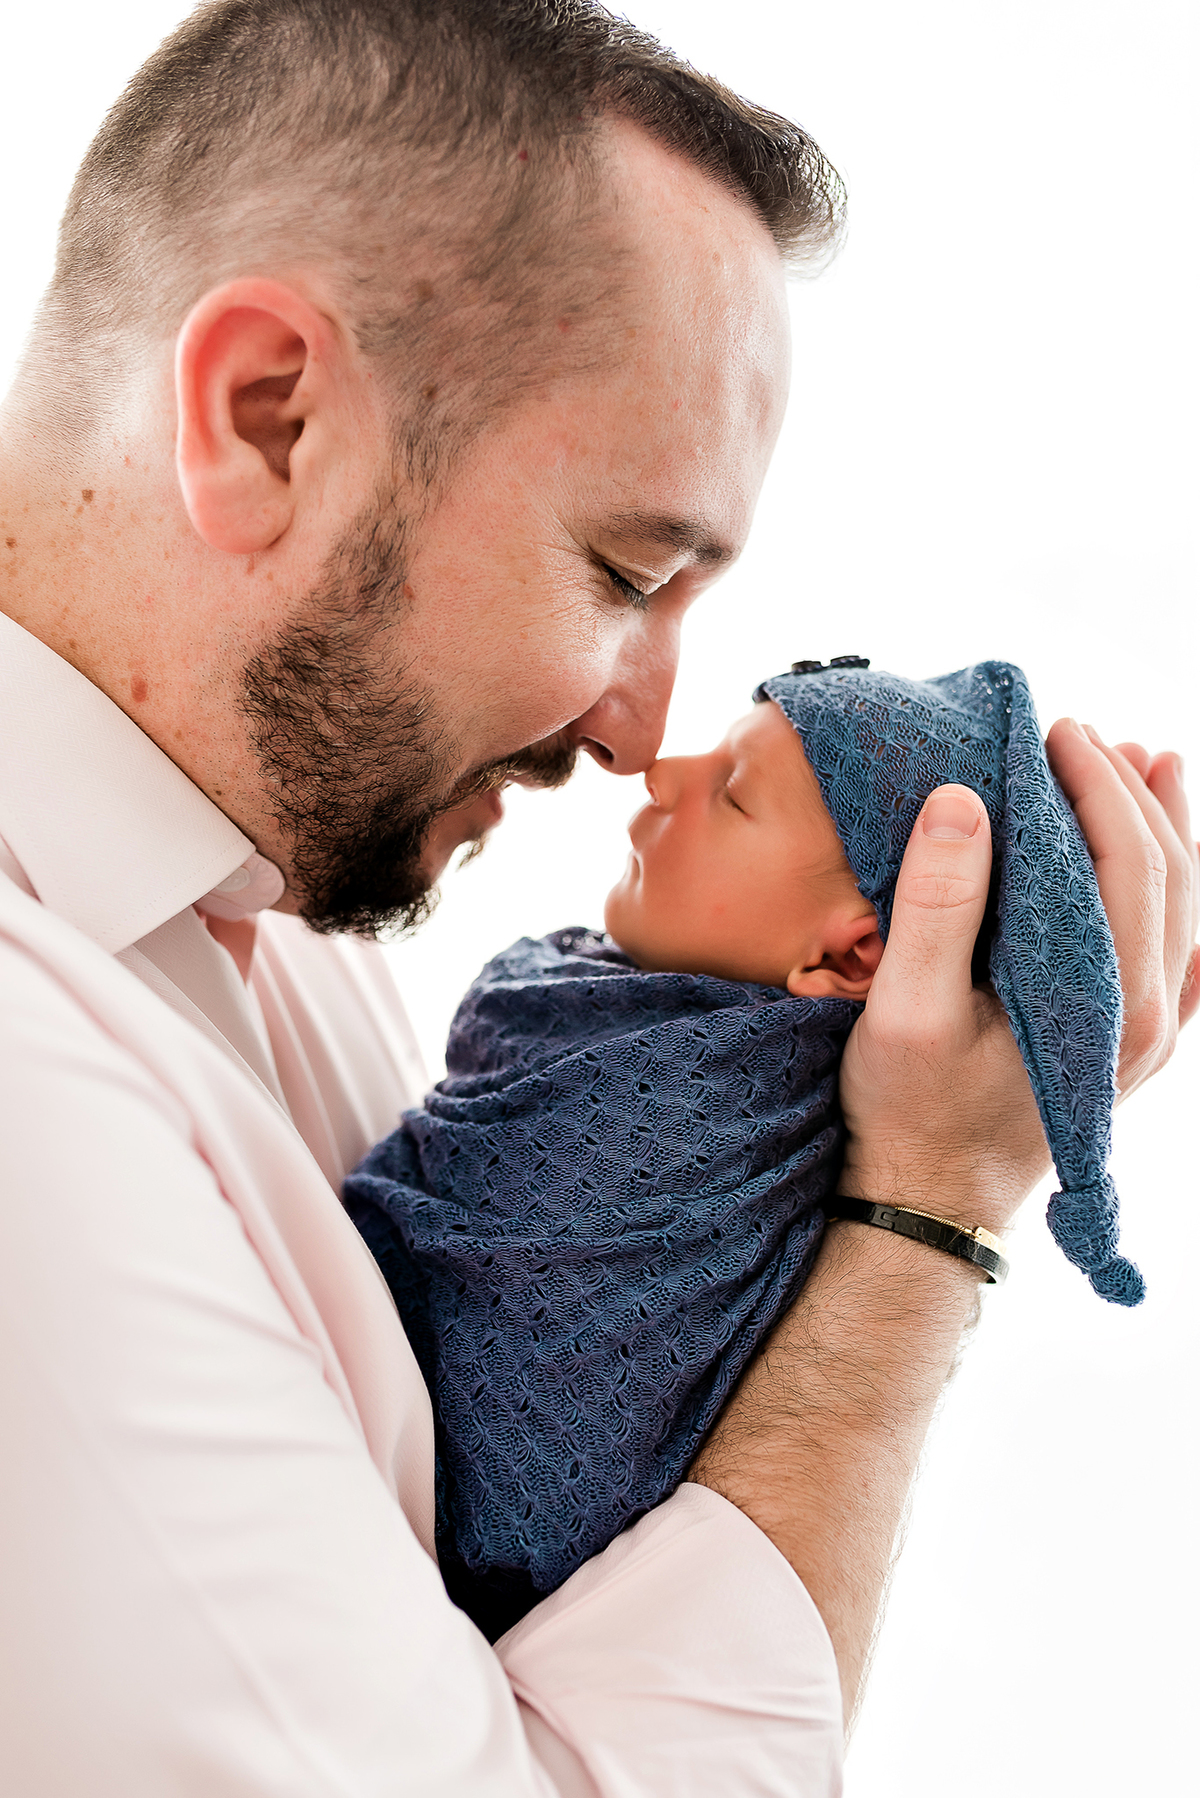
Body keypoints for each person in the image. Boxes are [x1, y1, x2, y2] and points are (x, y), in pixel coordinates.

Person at [0, 1, 1194, 1791]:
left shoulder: (273, 913)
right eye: (626, 571)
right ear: (268, 418)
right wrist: (924, 1221)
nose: (642, 731)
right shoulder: (29, 1099)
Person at [346, 657, 1146, 1643]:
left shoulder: (690, 1125)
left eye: (732, 794)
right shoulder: (591, 1021)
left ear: (847, 955)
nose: (661, 773)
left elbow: (540, 1467)